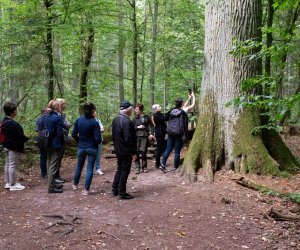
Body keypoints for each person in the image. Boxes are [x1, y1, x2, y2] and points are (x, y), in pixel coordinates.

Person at [160, 91, 195, 172]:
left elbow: (184, 105)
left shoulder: (173, 110)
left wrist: (188, 98)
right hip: (178, 133)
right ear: (181, 103)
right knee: (177, 151)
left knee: (168, 149)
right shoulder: (183, 110)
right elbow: (192, 105)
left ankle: (163, 164)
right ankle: (175, 167)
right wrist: (193, 97)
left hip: (170, 132)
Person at [72, 102, 101, 196]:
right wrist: (95, 143)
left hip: (81, 147)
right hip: (92, 148)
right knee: (89, 168)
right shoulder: (94, 122)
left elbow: (73, 134)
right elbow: (97, 139)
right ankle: (86, 190)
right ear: (93, 110)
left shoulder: (79, 120)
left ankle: (75, 185)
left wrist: (79, 141)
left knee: (79, 166)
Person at [112, 100, 136, 199]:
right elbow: (128, 138)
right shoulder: (126, 121)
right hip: (125, 150)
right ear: (127, 110)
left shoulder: (116, 119)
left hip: (118, 149)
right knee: (125, 170)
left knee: (120, 169)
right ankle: (122, 192)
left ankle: (115, 189)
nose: (132, 111)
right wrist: (133, 152)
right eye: (131, 109)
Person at [2, 102, 29, 191]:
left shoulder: (4, 121)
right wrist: (26, 139)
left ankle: (8, 183)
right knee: (12, 165)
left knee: (8, 164)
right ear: (12, 112)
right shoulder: (12, 123)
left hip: (6, 145)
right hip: (13, 146)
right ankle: (13, 185)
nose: (16, 112)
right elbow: (19, 135)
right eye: (15, 110)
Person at [45, 100, 65, 193]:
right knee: (53, 166)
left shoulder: (47, 116)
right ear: (57, 107)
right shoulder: (57, 118)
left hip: (48, 143)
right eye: (59, 105)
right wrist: (62, 142)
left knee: (49, 164)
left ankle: (51, 184)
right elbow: (60, 132)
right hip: (56, 144)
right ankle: (51, 188)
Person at [132, 103, 154, 174]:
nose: (135, 110)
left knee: (144, 152)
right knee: (137, 152)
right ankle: (137, 168)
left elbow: (152, 126)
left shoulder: (147, 117)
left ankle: (144, 167)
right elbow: (131, 128)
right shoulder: (134, 118)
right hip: (136, 136)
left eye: (136, 109)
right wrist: (138, 127)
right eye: (135, 109)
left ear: (141, 109)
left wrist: (151, 134)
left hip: (144, 136)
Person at [55, 98, 71, 183]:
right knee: (57, 159)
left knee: (59, 158)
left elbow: (67, 124)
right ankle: (55, 177)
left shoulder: (62, 114)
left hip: (62, 138)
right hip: (58, 140)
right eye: (64, 104)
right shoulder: (57, 115)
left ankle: (57, 176)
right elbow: (65, 125)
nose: (65, 105)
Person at [152, 104, 169, 169]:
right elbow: (164, 118)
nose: (160, 107)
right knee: (159, 148)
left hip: (162, 133)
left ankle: (160, 163)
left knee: (162, 147)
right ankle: (157, 164)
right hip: (159, 134)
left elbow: (166, 116)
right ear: (156, 109)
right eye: (159, 107)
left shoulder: (159, 114)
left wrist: (170, 111)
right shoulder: (156, 115)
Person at [35, 107, 51, 178]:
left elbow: (37, 129)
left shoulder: (38, 119)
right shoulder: (47, 118)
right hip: (47, 137)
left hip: (40, 137)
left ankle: (43, 173)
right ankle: (48, 173)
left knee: (42, 156)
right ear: (44, 112)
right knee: (49, 155)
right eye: (47, 111)